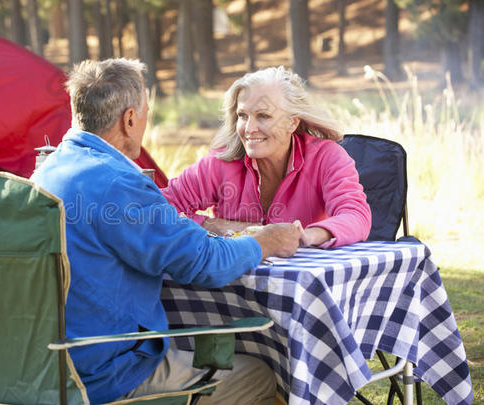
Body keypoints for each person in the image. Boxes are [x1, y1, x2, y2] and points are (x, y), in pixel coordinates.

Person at [31, 58, 301, 405]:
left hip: (46, 367)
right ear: (130, 119)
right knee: (263, 375)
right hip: (104, 377)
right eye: (146, 111)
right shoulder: (117, 183)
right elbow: (206, 263)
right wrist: (265, 240)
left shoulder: (47, 170)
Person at [162, 66, 371, 248]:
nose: (249, 129)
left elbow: (356, 216)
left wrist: (307, 236)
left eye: (263, 116)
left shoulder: (326, 157)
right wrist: (214, 225)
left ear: (292, 122)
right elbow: (158, 208)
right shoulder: (220, 163)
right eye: (243, 116)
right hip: (231, 286)